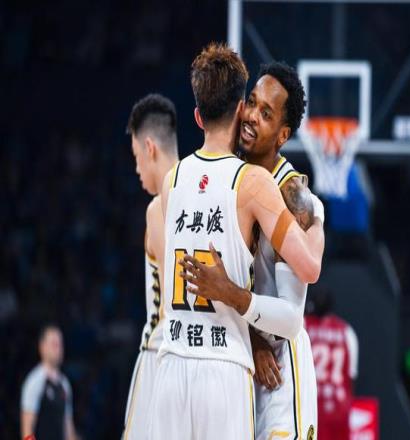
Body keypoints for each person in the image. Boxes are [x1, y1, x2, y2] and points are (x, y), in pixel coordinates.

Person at [148, 43, 323, 440]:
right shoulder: (232, 175)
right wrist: (250, 334)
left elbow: (292, 315)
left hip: (280, 373)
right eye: (253, 104)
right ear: (239, 105)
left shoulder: (292, 194)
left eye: (266, 114)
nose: (253, 117)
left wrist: (317, 217)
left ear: (283, 135)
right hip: (233, 357)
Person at [122, 93, 179, 439]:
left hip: (161, 356)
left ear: (149, 148)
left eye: (135, 157)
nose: (137, 169)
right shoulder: (204, 196)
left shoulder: (158, 208)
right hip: (202, 357)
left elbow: (173, 301)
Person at [305, 292, 358, 440]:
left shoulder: (303, 325)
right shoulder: (347, 331)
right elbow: (351, 377)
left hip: (310, 406)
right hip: (338, 408)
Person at [20, 325, 77, 440]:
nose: (58, 349)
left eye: (60, 344)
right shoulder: (35, 381)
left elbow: (68, 430)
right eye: (54, 344)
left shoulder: (64, 384)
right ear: (42, 347)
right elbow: (27, 430)